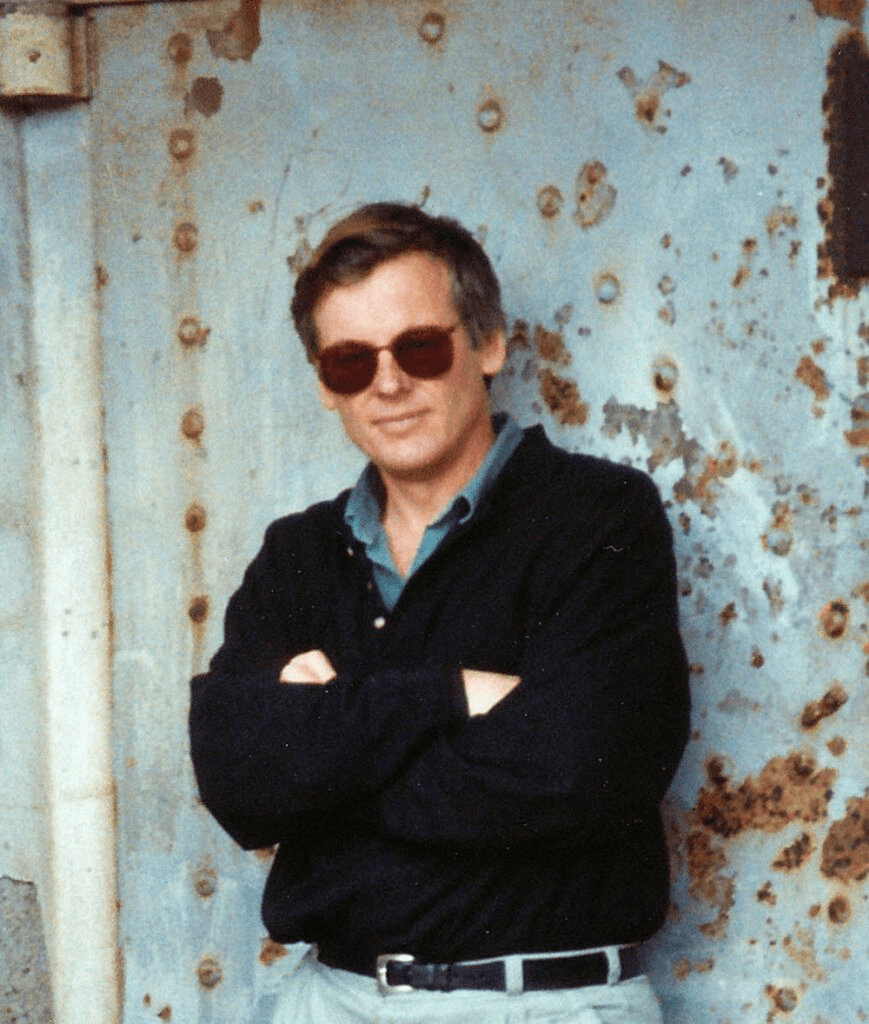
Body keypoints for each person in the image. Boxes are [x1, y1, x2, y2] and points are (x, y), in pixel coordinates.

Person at [189, 202, 690, 1024]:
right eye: (350, 362)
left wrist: (322, 746)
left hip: (539, 1006)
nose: (387, 382)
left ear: (487, 345)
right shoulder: (296, 555)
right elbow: (238, 776)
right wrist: (448, 696)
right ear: (324, 385)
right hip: (329, 1001)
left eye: (419, 347)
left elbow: (578, 773)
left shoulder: (598, 519)